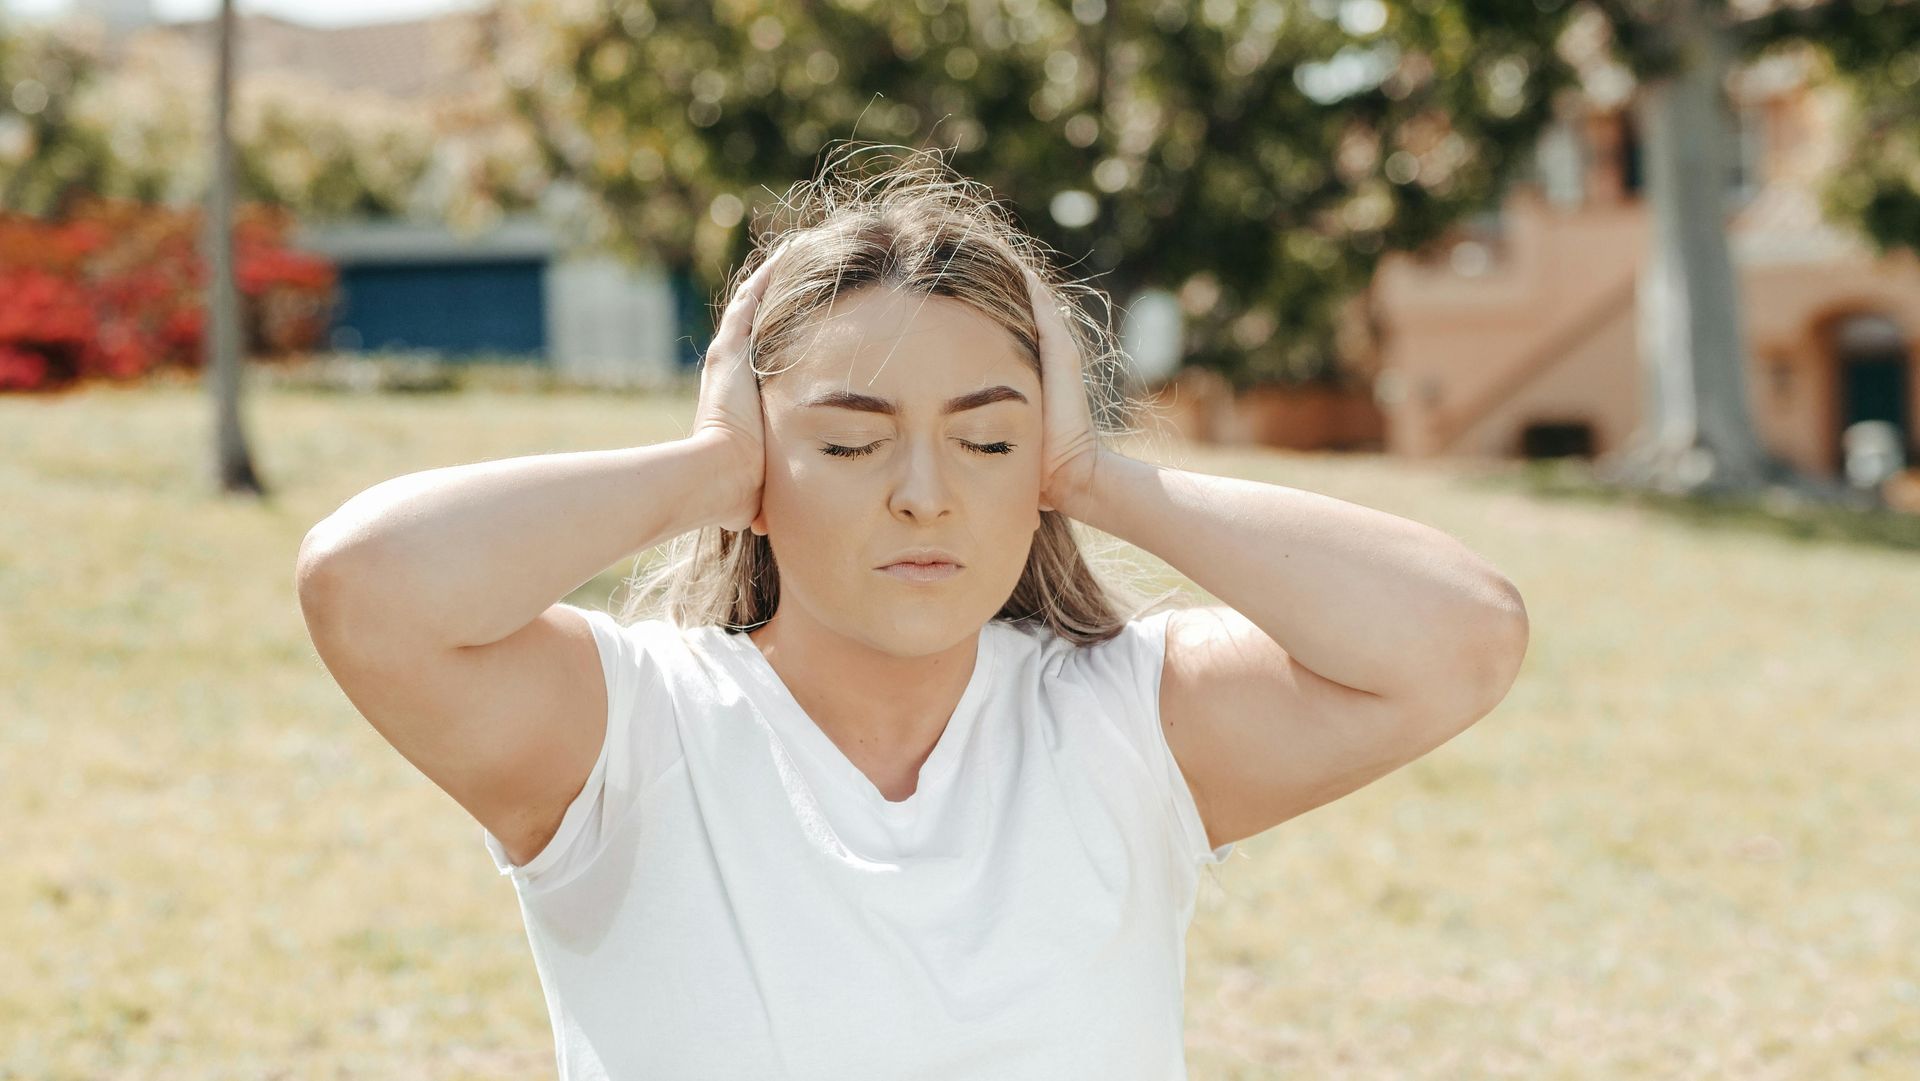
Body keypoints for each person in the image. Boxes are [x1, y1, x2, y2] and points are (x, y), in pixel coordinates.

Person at [294, 148, 1530, 1080]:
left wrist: (1093, 476)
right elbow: (367, 584)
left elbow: (1461, 636)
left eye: (990, 439)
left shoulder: (1130, 719)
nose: (926, 496)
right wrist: (712, 471)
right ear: (766, 462)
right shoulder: (625, 730)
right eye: (849, 441)